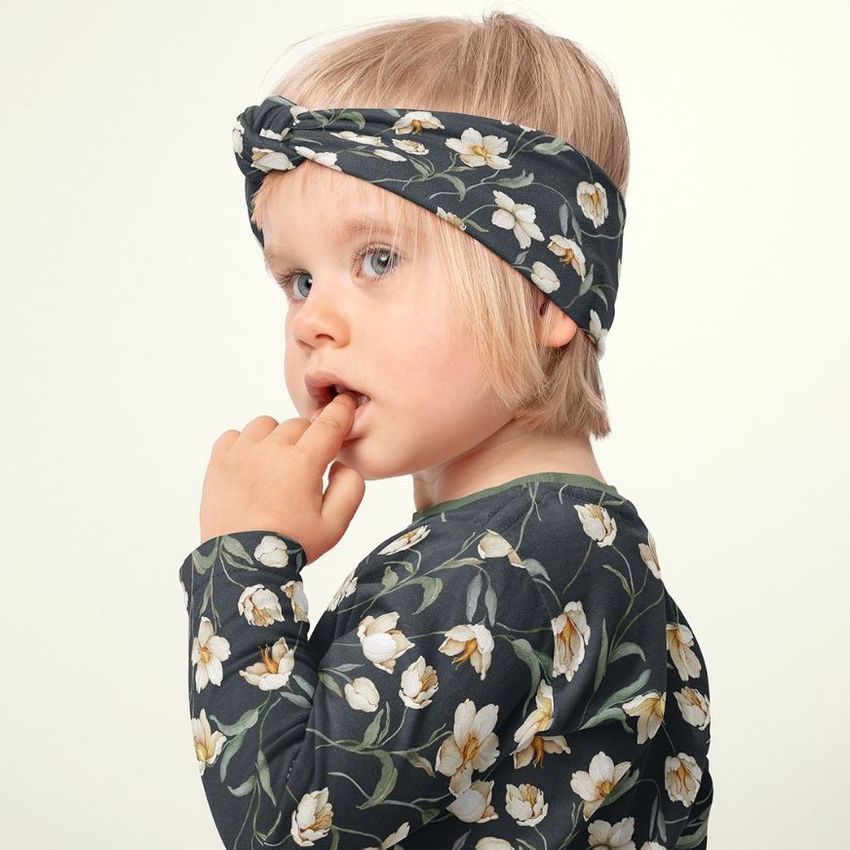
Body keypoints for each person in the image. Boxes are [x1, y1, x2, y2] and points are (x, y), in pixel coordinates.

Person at [179, 12, 713, 849]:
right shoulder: (554, 545)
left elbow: (288, 830)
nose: (314, 319)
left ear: (546, 299)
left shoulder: (511, 567)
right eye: (298, 278)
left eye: (378, 260)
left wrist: (242, 563)